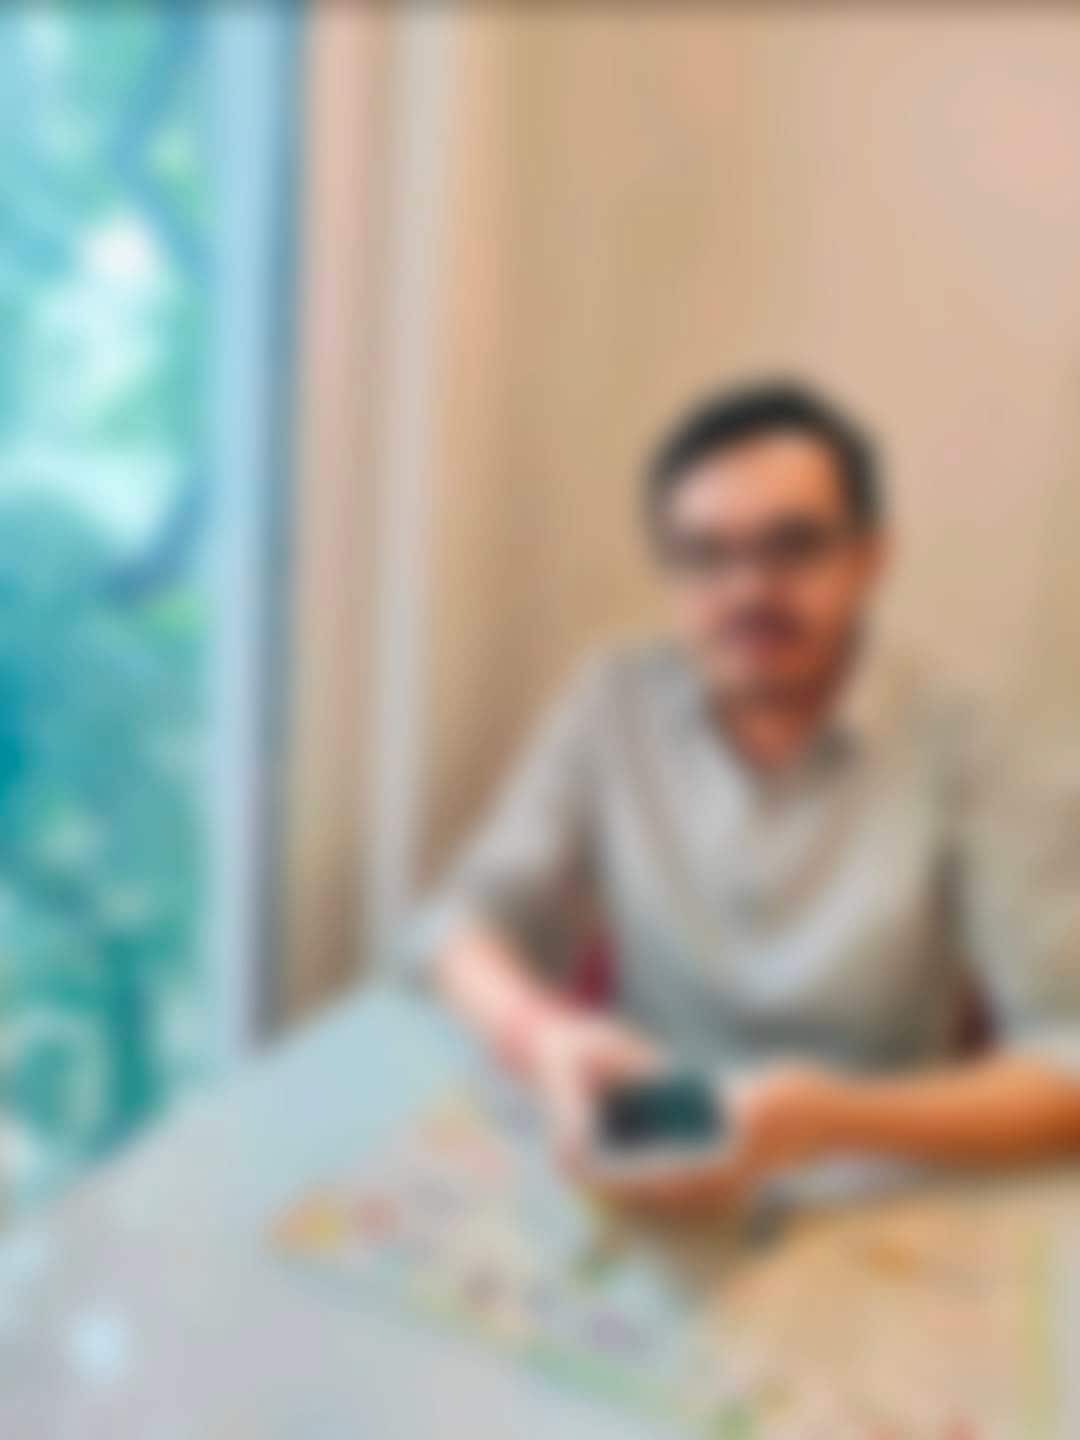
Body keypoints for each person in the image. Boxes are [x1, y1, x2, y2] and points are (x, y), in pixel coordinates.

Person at [404, 380, 1080, 1211]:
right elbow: (459, 921)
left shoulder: (975, 739)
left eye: (794, 546)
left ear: (870, 556)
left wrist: (832, 1118)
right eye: (703, 555)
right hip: (651, 1137)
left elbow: (1071, 1050)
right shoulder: (612, 701)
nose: (748, 589)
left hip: (873, 1170)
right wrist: (542, 1038)